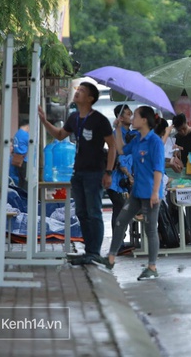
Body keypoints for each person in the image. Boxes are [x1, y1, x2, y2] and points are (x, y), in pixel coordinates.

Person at [38, 82, 116, 264]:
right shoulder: (74, 118)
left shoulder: (99, 120)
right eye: (78, 90)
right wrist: (44, 121)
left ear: (90, 98)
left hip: (94, 173)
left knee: (94, 212)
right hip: (78, 172)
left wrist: (108, 172)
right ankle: (89, 251)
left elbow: (112, 146)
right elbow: (59, 135)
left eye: (81, 91)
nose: (77, 92)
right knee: (81, 212)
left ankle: (94, 252)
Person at [104, 106, 165, 280]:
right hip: (137, 192)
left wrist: (155, 193)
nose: (133, 119)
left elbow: (158, 169)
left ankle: (152, 267)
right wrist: (116, 128)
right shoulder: (137, 139)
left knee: (150, 229)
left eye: (135, 116)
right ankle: (110, 258)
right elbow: (122, 149)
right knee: (120, 221)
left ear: (144, 120)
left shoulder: (155, 142)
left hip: (151, 193)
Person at [107, 104, 134, 245]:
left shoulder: (132, 134)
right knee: (119, 209)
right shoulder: (115, 134)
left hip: (127, 179)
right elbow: (119, 157)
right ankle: (118, 241)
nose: (132, 116)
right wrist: (128, 174)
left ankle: (122, 239)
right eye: (129, 114)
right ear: (120, 117)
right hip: (116, 179)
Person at [12, 120, 30, 190]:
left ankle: (20, 196)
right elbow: (32, 144)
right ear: (27, 126)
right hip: (24, 160)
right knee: (26, 181)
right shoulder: (25, 135)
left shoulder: (17, 134)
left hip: (17, 160)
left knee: (21, 181)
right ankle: (24, 197)